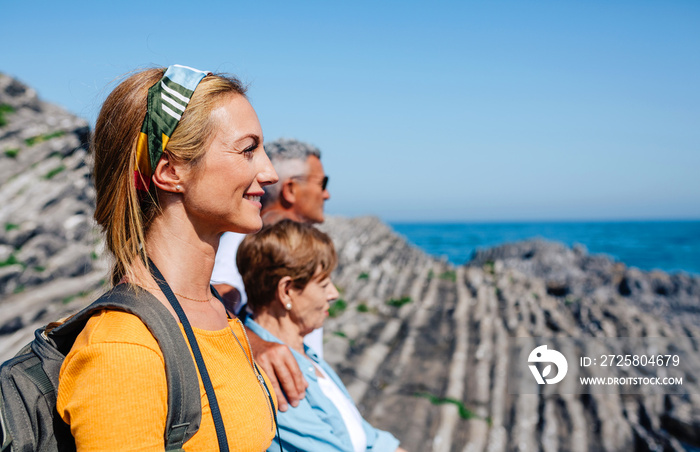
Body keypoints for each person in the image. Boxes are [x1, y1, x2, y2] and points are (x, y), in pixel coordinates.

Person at [56, 65, 280, 450]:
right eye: (248, 150)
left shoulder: (217, 314)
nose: (270, 172)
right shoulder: (124, 350)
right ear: (171, 171)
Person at [237, 221, 407, 452]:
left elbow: (370, 440)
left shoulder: (305, 356)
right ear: (286, 291)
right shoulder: (275, 374)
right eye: (324, 283)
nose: (334, 293)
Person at [211, 138, 330, 411]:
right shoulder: (250, 239)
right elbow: (215, 295)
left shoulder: (270, 238)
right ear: (291, 189)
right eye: (322, 184)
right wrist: (254, 343)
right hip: (287, 405)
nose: (327, 194)